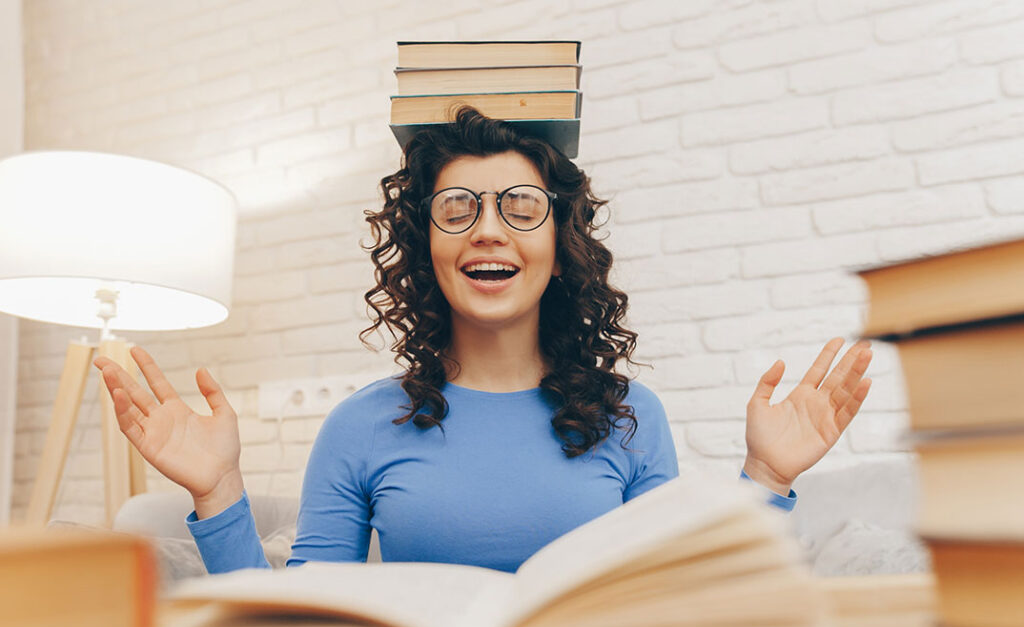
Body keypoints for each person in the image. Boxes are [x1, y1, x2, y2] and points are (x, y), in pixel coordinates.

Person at [93, 108, 873, 575]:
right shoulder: (361, 427)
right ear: (425, 244)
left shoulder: (630, 416)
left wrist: (766, 476)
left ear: (561, 243)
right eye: (458, 207)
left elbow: (685, 601)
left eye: (520, 206)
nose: (489, 229)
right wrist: (217, 490)